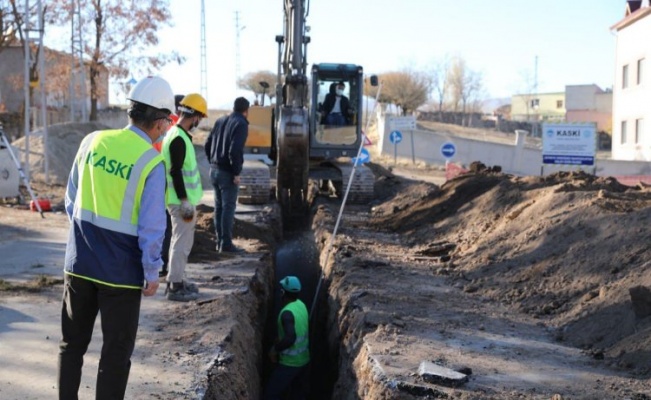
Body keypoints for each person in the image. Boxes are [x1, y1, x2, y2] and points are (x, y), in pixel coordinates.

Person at [57, 76, 174, 399]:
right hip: (121, 277)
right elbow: (152, 228)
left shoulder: (92, 141)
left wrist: (86, 239)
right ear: (161, 121)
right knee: (115, 356)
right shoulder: (151, 161)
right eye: (168, 121)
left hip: (78, 265)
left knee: (71, 347)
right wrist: (152, 272)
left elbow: (71, 200)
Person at [161, 93, 207, 302]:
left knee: (179, 241)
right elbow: (175, 171)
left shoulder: (176, 134)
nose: (199, 122)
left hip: (180, 200)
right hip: (181, 202)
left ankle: (176, 279)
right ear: (195, 116)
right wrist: (184, 200)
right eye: (200, 117)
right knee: (181, 242)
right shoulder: (178, 138)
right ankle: (175, 286)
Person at [204, 96, 250, 253]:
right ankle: (226, 245)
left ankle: (220, 243)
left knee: (219, 208)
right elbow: (234, 150)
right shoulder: (241, 124)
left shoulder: (220, 120)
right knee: (228, 208)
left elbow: (207, 143)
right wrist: (236, 172)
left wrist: (213, 161)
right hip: (227, 173)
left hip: (214, 170)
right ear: (246, 111)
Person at [264, 276, 311, 400]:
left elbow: (290, 338)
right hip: (304, 360)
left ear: (283, 292)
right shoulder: (301, 305)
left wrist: (274, 349)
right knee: (297, 394)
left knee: (271, 394)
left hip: (290, 363)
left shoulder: (287, 313)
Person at [155, 93, 185, 278]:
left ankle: (158, 264)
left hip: (155, 173)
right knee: (168, 227)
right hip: (166, 181)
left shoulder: (160, 121)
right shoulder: (176, 126)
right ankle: (165, 265)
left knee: (157, 224)